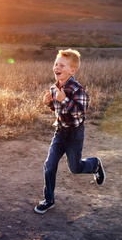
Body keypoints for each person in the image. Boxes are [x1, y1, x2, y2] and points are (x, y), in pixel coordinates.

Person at [34, 49, 105, 214]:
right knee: (49, 165)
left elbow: (80, 114)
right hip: (59, 132)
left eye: (61, 65)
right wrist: (50, 103)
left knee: (75, 168)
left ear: (72, 70)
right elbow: (59, 110)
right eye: (55, 64)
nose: (56, 67)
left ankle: (95, 164)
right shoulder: (54, 88)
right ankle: (49, 199)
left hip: (74, 135)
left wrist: (63, 99)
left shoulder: (78, 90)